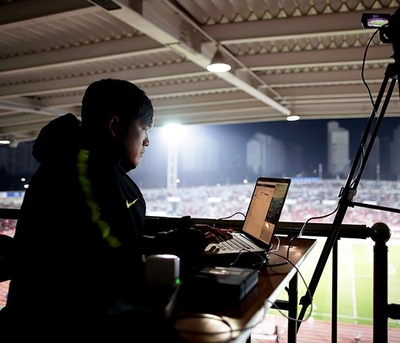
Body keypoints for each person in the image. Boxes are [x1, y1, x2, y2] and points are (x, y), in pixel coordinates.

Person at [1, 78, 230, 339]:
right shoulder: (78, 171)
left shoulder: (100, 166)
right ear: (115, 126)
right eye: (144, 129)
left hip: (83, 312)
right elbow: (114, 256)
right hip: (55, 322)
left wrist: (181, 228)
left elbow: (122, 227)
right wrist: (185, 240)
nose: (147, 142)